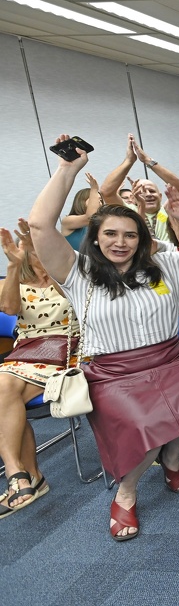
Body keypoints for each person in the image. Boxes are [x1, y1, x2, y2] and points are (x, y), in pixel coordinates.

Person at [28, 134, 179, 542]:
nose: (120, 242)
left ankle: (173, 454)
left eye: (129, 235)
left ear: (142, 239)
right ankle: (127, 494)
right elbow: (41, 225)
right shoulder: (78, 273)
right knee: (141, 422)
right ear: (96, 238)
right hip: (114, 373)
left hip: (172, 360)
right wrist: (68, 169)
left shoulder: (165, 264)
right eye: (111, 234)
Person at [0, 219, 69, 517]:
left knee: (3, 392)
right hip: (27, 353)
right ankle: (22, 474)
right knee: (5, 391)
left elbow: (74, 298)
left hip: (67, 350)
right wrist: (14, 266)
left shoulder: (69, 276)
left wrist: (46, 258)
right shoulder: (16, 280)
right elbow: (9, 309)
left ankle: (24, 477)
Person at [61, 172, 102, 250]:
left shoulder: (101, 223)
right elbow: (90, 218)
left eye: (100, 200)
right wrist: (94, 189)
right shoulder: (67, 221)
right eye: (95, 200)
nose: (99, 203)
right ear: (82, 202)